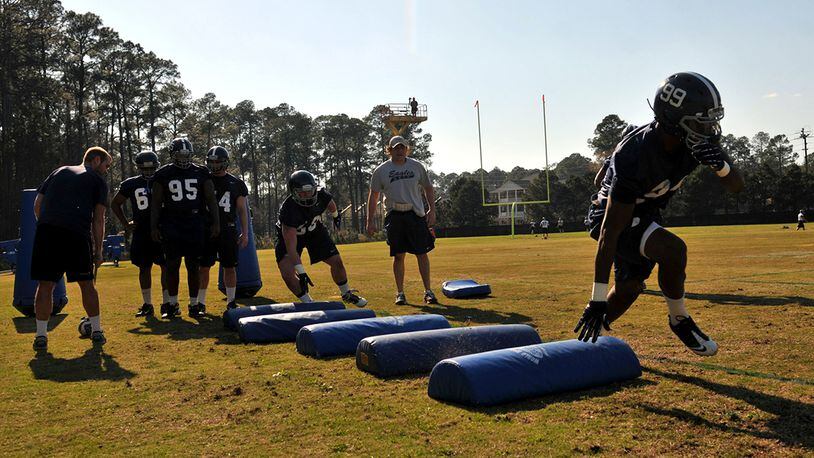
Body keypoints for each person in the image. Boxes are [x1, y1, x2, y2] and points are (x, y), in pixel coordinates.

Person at [575, 72, 744, 357]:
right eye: (699, 122)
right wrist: (597, 298)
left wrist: (722, 166)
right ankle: (679, 319)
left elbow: (736, 186)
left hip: (645, 211)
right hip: (608, 215)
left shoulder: (695, 143)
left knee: (628, 289)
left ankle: (586, 345)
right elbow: (610, 232)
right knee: (673, 250)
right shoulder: (636, 154)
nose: (709, 128)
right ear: (673, 119)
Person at [31, 146, 113, 350]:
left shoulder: (59, 171)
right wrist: (98, 251)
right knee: (86, 284)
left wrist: (47, 226)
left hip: (47, 232)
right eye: (106, 165)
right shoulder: (97, 181)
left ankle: (41, 336)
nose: (106, 170)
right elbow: (99, 219)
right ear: (95, 160)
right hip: (76, 234)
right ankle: (96, 331)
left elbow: (37, 204)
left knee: (45, 285)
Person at [275, 170, 367, 306]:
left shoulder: (321, 195)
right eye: (302, 192)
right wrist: (301, 272)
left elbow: (331, 203)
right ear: (293, 192)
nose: (306, 195)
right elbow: (291, 248)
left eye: (309, 191)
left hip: (314, 232)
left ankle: (346, 293)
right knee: (287, 273)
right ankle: (308, 303)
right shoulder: (288, 210)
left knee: (337, 261)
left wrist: (336, 216)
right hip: (292, 238)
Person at [151, 138, 219, 319]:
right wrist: (154, 227)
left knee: (193, 265)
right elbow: (156, 203)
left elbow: (211, 199)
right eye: (179, 155)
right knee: (172, 265)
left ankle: (194, 304)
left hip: (195, 222)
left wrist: (216, 222)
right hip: (171, 223)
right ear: (172, 155)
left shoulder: (201, 172)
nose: (183, 158)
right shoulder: (163, 174)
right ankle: (172, 304)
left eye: (186, 155)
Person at [367, 135, 438, 305]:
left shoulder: (416, 166)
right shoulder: (381, 170)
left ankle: (428, 291)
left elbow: (428, 188)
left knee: (422, 253)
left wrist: (432, 210)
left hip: (415, 214)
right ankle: (400, 293)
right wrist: (369, 220)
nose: (399, 151)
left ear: (407, 149)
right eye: (395, 148)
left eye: (402, 147)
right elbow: (373, 195)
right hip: (395, 215)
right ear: (389, 150)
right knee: (399, 256)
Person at [111, 151, 168, 317]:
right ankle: (147, 303)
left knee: (166, 266)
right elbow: (115, 203)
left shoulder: (163, 180)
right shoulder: (131, 184)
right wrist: (125, 223)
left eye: (152, 168)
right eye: (145, 168)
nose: (149, 172)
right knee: (144, 267)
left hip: (161, 228)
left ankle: (167, 303)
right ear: (139, 168)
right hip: (142, 230)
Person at [197, 146, 249, 312]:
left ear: (225, 162)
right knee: (204, 267)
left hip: (228, 228)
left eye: (217, 161)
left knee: (229, 266)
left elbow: (242, 210)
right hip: (207, 229)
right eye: (211, 162)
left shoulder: (237, 183)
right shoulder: (202, 180)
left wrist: (245, 232)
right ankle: (201, 302)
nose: (213, 165)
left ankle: (231, 301)